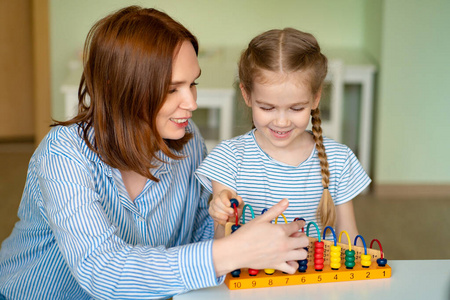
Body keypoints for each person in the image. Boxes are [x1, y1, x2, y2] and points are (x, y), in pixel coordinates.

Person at [0, 7, 308, 300]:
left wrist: (223, 219)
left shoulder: (188, 142)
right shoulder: (63, 154)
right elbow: (102, 270)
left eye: (193, 84)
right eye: (172, 89)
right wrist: (233, 252)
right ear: (121, 88)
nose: (191, 103)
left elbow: (196, 233)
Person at [196, 28, 371, 241]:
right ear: (247, 95)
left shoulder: (339, 160)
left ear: (315, 99)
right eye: (267, 108)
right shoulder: (228, 158)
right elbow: (220, 244)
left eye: (296, 109)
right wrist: (223, 214)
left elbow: (349, 240)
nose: (281, 122)